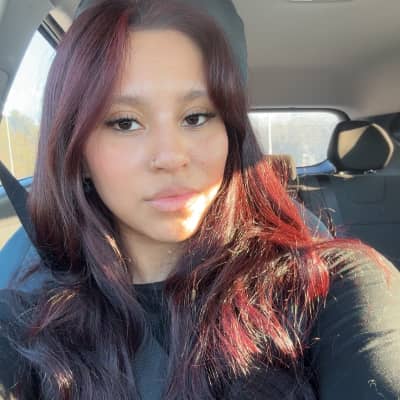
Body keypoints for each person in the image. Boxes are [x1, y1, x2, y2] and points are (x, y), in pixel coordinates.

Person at [0, 0, 399, 399]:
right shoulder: (29, 315)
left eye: (196, 117)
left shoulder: (329, 284)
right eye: (125, 122)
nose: (172, 157)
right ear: (78, 152)